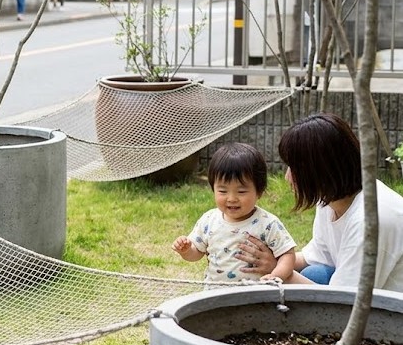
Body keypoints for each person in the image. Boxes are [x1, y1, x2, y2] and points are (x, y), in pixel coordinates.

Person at [237, 113, 403, 291]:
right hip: (365, 300)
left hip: (391, 313)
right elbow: (317, 256)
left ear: (319, 170)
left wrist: (278, 274)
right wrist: (275, 261)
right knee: (315, 272)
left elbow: (344, 302)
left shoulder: (369, 221)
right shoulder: (330, 199)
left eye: (294, 168)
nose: (287, 177)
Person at [173, 143, 297, 283]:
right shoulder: (209, 220)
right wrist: (186, 250)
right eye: (223, 191)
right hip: (215, 295)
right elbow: (197, 253)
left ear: (259, 192)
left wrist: (276, 275)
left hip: (257, 296)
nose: (231, 199)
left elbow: (287, 254)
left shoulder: (267, 223)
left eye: (241, 192)